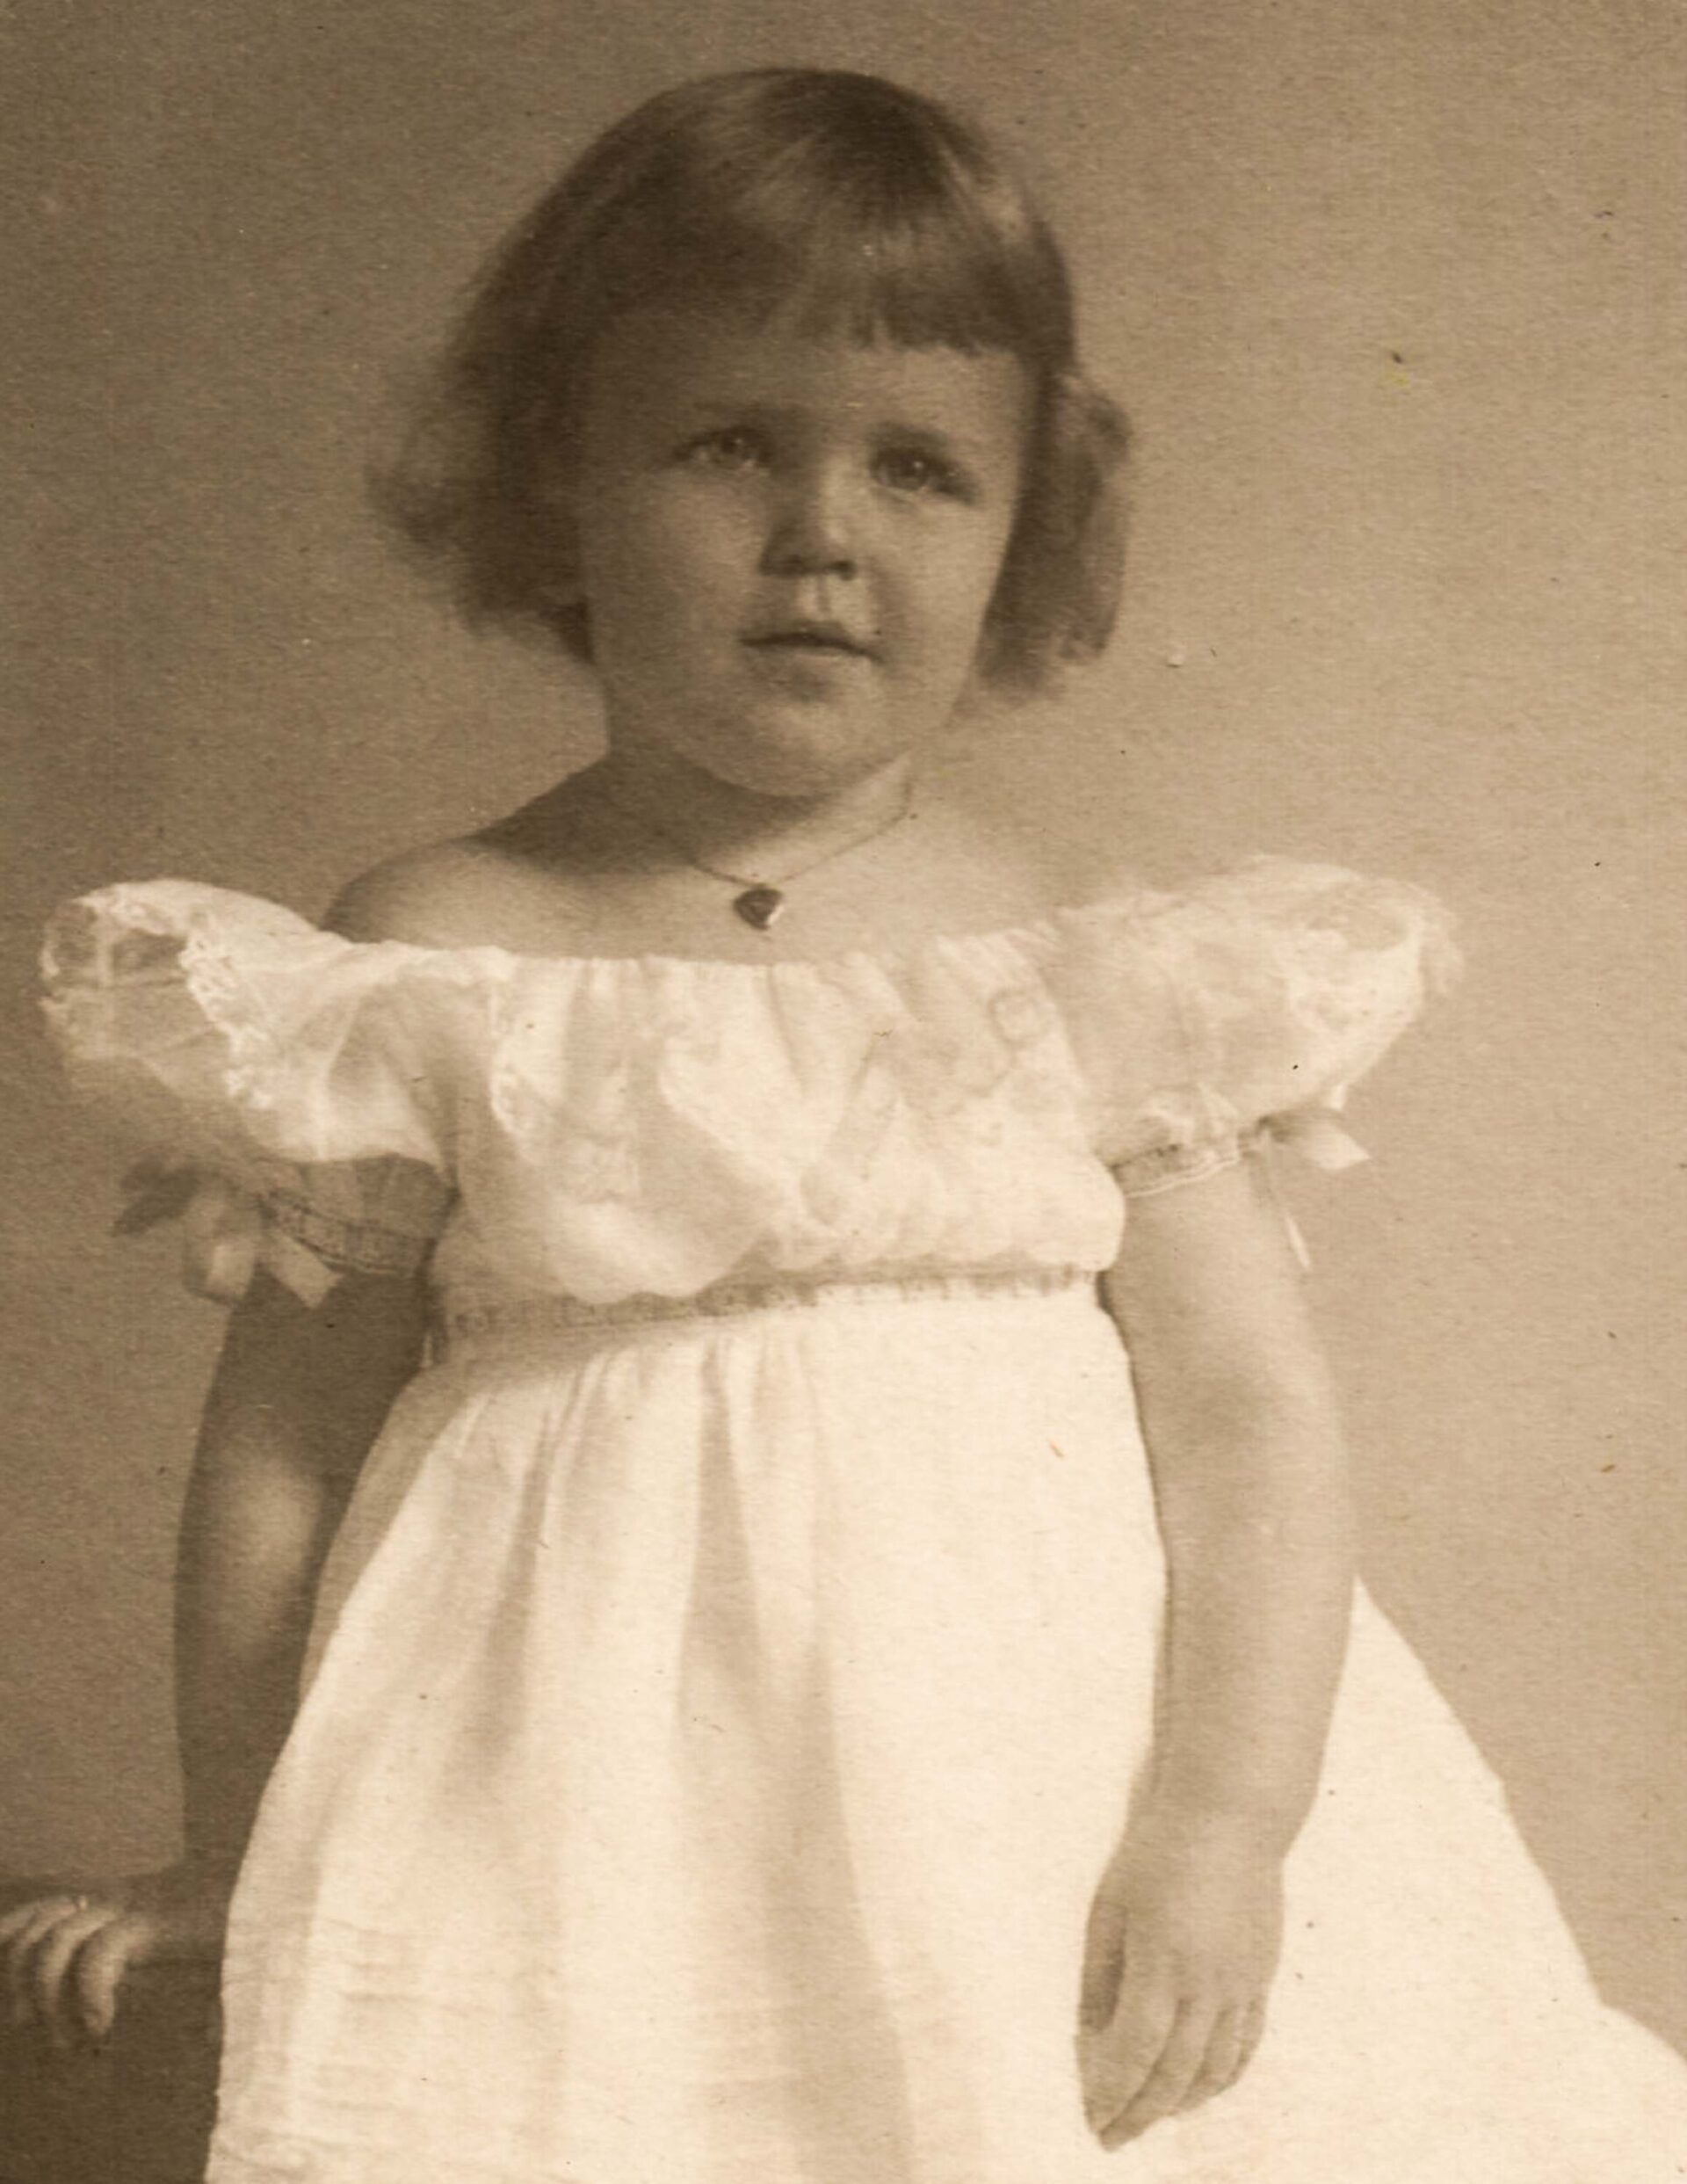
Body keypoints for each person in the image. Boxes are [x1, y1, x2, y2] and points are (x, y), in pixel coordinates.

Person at [7, 66, 1684, 2183]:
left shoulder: (1072, 959)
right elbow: (279, 1446)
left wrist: (1221, 1831)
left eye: (920, 468)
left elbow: (1248, 1420)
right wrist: (228, 1854)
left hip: (1038, 1798)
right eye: (728, 445)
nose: (823, 534)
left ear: (1024, 531)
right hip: (589, 1824)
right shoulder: (440, 954)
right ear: (560, 491)